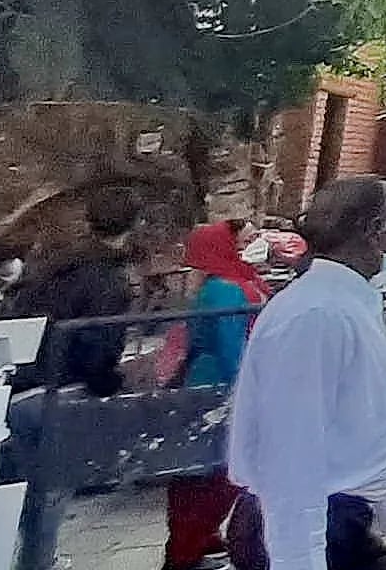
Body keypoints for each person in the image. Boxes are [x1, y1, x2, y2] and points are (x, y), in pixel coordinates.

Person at [224, 178, 386, 570]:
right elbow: (291, 452)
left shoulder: (343, 304)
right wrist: (298, 561)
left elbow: (344, 434)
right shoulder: (316, 315)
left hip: (341, 520)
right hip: (301, 529)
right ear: (374, 231)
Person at [169, 219, 269, 563]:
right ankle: (188, 550)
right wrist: (251, 395)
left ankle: (198, 544)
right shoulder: (225, 289)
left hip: (222, 386)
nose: (257, 242)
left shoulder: (240, 280)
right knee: (212, 480)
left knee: (211, 480)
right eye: (248, 238)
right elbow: (231, 351)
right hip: (217, 389)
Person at [16, 182, 149, 396]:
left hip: (24, 376)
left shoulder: (55, 260)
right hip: (61, 388)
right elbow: (96, 357)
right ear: (136, 224)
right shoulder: (108, 282)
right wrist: (116, 383)